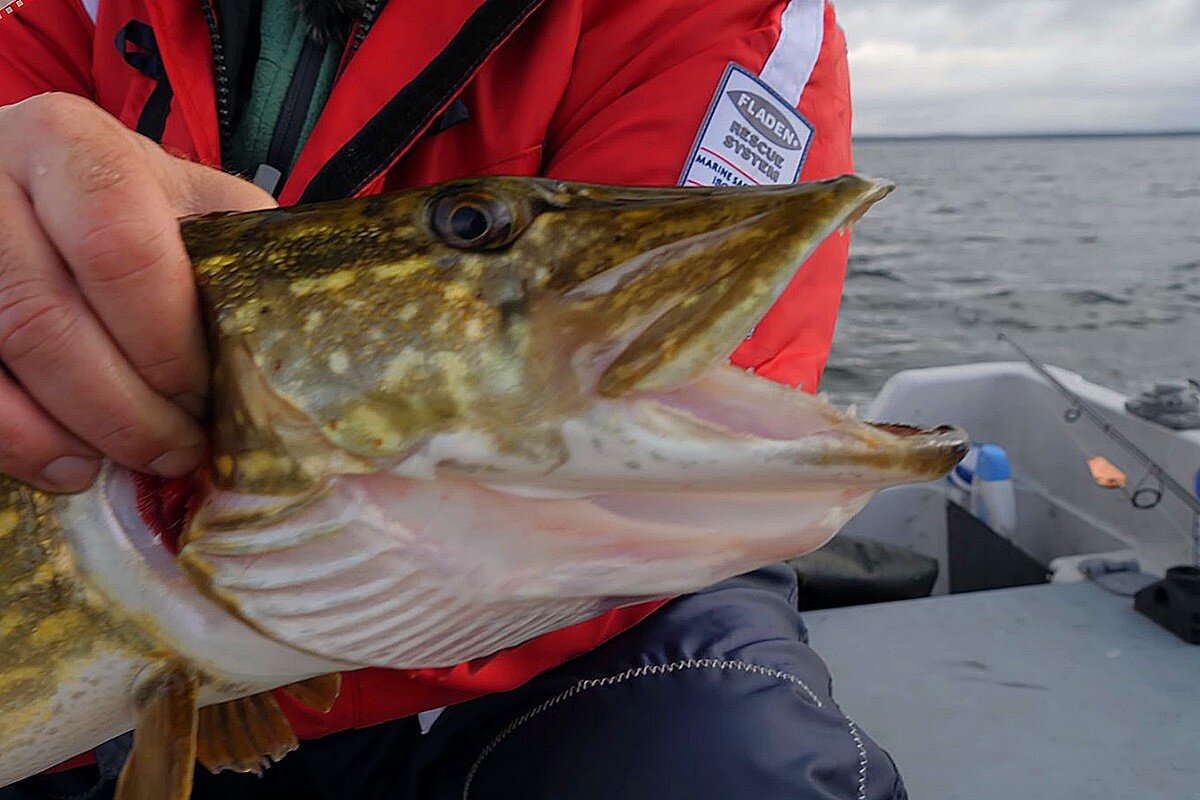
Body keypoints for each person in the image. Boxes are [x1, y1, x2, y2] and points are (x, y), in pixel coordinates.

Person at [0, 1, 907, 798]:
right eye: (472, 229)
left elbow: (649, 452)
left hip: (580, 625)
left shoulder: (712, 12)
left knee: (731, 762)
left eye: (471, 228)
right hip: (183, 616)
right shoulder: (71, 14)